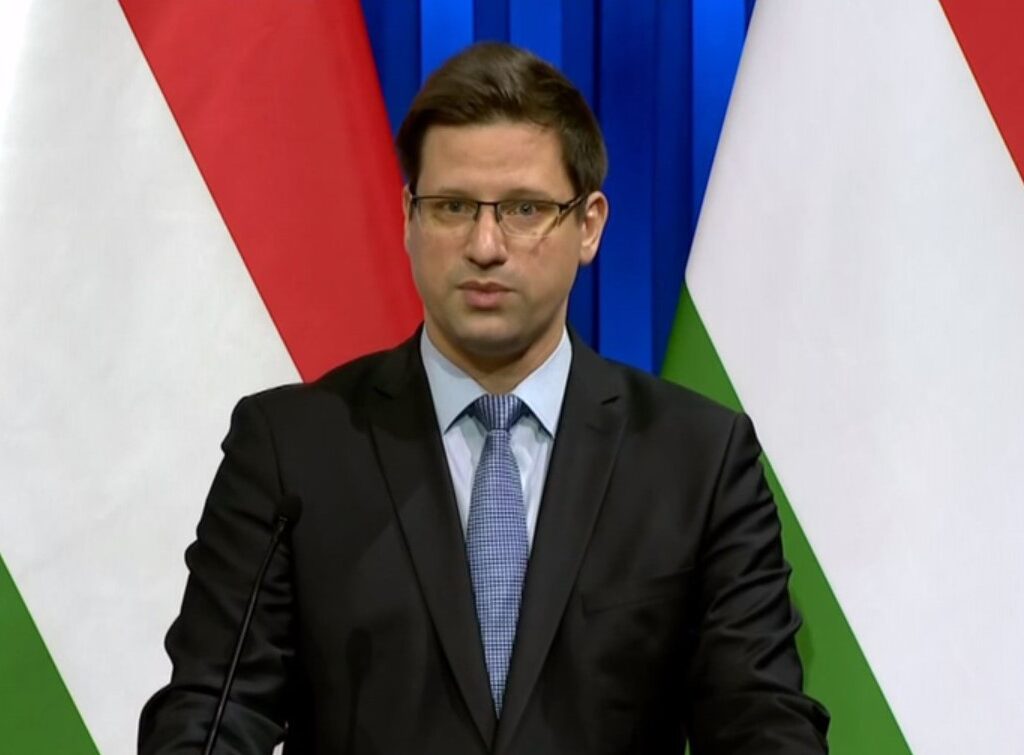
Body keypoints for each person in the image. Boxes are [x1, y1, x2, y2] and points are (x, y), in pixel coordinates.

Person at [139, 42, 829, 754]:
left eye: (525, 208)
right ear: (408, 218)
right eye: (453, 207)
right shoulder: (292, 450)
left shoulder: (696, 462)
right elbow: (211, 708)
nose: (486, 245)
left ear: (589, 225)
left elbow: (761, 719)